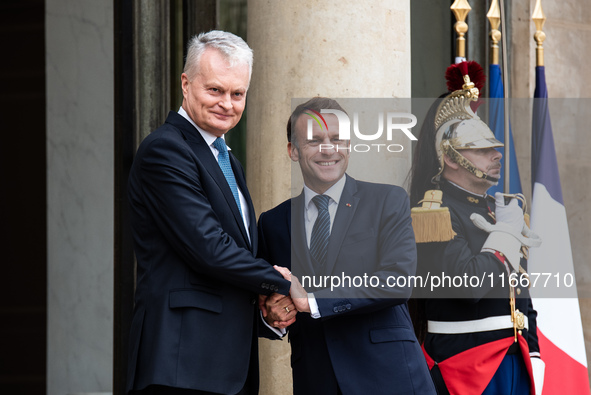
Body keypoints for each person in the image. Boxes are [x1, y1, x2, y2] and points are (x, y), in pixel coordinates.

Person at [126, 30, 296, 395]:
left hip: (224, 366)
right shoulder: (165, 151)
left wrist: (267, 303)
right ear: (186, 85)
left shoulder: (226, 158)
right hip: (181, 364)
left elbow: (235, 253)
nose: (227, 104)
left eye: (238, 94)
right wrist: (284, 284)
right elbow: (209, 248)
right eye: (215, 90)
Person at [257, 97, 436, 395]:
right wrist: (273, 317)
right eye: (314, 140)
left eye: (337, 139)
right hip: (316, 380)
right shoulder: (273, 223)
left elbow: (397, 281)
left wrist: (311, 301)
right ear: (293, 151)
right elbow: (268, 302)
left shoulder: (388, 201)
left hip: (389, 378)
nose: (328, 149)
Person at [408, 62, 545, 395]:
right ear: (452, 158)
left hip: (515, 358)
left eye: (494, 148)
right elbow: (466, 285)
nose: (495, 156)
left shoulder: (497, 210)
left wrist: (534, 348)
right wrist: (504, 237)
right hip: (467, 363)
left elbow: (520, 290)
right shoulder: (434, 211)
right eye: (483, 150)